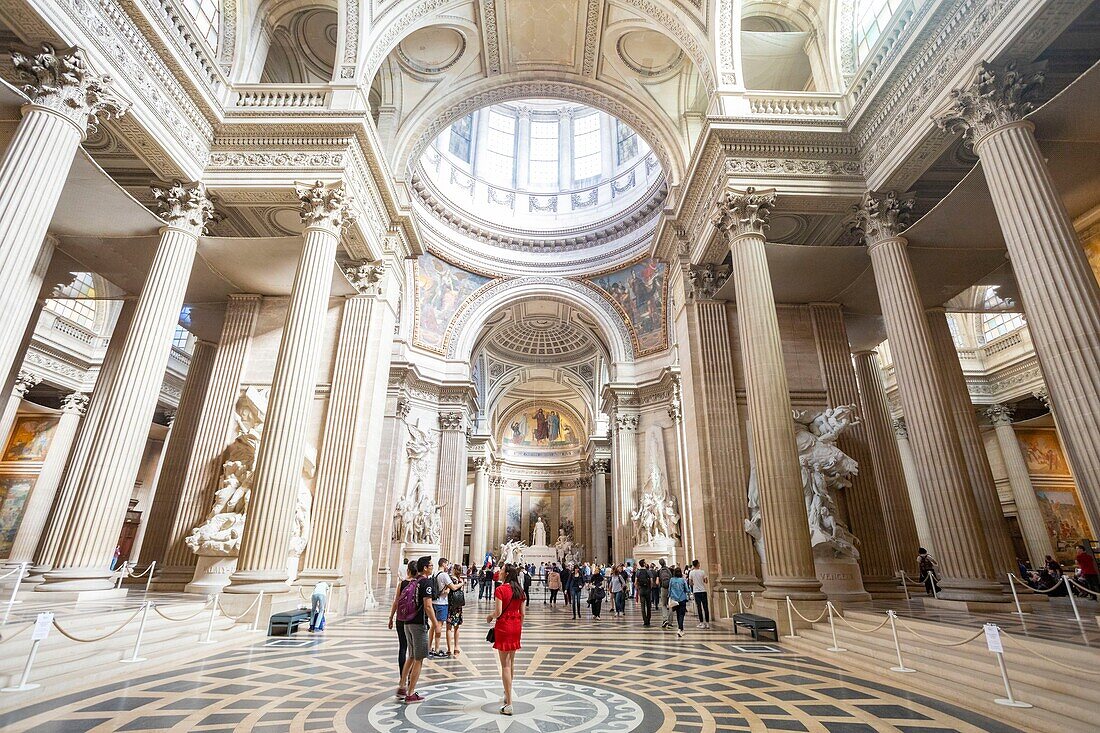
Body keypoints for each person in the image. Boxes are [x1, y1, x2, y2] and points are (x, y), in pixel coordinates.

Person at [487, 564, 526, 716]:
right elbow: (522, 614)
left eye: (502, 570)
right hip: (516, 626)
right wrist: (518, 626)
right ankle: (507, 692)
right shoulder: (520, 591)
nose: (499, 572)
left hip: (504, 626)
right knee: (512, 662)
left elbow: (498, 612)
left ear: (507, 573)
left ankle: (509, 703)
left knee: (505, 666)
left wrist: (490, 616)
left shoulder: (500, 589)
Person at [398, 556, 437, 703]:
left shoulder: (413, 581)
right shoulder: (426, 582)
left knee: (412, 656)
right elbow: (427, 605)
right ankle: (411, 693)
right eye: (431, 565)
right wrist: (435, 624)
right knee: (419, 659)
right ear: (426, 567)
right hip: (418, 624)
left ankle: (402, 686)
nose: (432, 567)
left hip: (407, 621)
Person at [388, 560, 418, 697]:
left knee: (403, 648)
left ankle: (402, 677)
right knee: (413, 652)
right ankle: (410, 677)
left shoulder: (403, 583)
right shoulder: (419, 584)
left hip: (401, 618)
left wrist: (391, 617)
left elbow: (396, 601)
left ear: (408, 571)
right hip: (413, 620)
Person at [431, 558, 462, 658]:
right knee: (439, 625)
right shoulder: (444, 575)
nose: (448, 566)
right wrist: (462, 583)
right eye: (447, 564)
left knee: (433, 625)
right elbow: (453, 587)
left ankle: (429, 647)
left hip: (434, 602)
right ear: (444, 564)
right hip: (442, 603)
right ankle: (436, 649)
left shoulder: (435, 574)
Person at [668, 567, 690, 638]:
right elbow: (687, 589)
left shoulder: (672, 580)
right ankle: (680, 629)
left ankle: (680, 629)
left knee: (678, 614)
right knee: (681, 615)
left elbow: (669, 589)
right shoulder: (683, 580)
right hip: (682, 599)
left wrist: (669, 596)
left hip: (675, 600)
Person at [688, 560, 711, 629]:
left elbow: (690, 583)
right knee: (705, 607)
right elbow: (706, 581)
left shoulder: (691, 573)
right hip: (703, 591)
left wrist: (694, 584)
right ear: (698, 564)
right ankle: (707, 623)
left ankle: (701, 623)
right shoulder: (702, 572)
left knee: (699, 608)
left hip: (696, 592)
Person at [635, 560, 654, 627]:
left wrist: (638, 589)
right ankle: (648, 620)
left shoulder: (638, 572)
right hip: (647, 590)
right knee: (648, 606)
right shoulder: (648, 571)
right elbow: (651, 581)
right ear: (644, 564)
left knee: (642, 606)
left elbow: (635, 582)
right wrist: (650, 587)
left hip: (641, 590)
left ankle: (645, 621)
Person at [657, 559, 673, 629]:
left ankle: (665, 619)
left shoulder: (659, 571)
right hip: (670, 588)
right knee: (670, 605)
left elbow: (657, 582)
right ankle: (670, 622)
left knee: (663, 604)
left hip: (663, 588)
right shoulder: (669, 570)